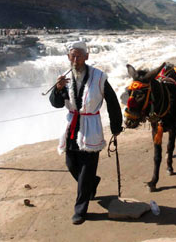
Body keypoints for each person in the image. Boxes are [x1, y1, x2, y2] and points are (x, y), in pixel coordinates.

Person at [49, 41, 123, 224]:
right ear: (68, 57)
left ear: (87, 57)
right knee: (71, 164)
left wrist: (116, 126)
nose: (75, 60)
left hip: (91, 127)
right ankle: (92, 182)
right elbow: (56, 104)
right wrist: (57, 90)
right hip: (71, 127)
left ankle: (80, 210)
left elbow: (112, 102)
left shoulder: (99, 77)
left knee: (86, 169)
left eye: (79, 56)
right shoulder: (64, 79)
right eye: (72, 56)